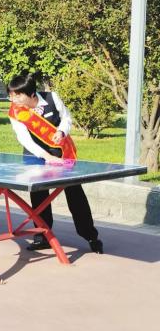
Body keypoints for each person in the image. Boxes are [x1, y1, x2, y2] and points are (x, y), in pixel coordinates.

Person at [6, 72, 103, 254]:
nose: (13, 99)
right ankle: (42, 237)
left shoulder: (52, 98)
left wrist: (62, 131)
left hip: (61, 152)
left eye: (17, 95)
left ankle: (91, 236)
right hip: (35, 155)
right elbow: (24, 139)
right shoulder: (15, 112)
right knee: (39, 198)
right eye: (11, 95)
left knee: (75, 193)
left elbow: (67, 117)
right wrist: (46, 157)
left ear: (31, 94)